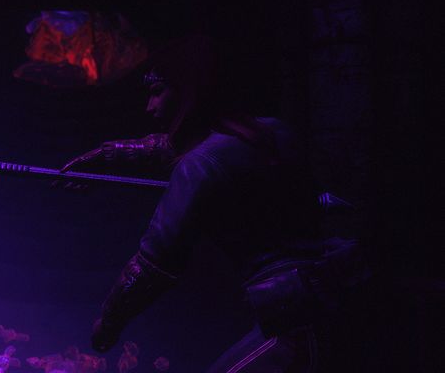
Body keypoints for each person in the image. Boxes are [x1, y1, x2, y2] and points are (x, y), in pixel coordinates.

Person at [62, 35, 370, 372]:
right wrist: (109, 155)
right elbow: (193, 149)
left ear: (187, 92)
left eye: (158, 92)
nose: (150, 107)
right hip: (336, 301)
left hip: (296, 320)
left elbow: (151, 267)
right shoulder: (272, 133)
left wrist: (108, 323)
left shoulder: (199, 165)